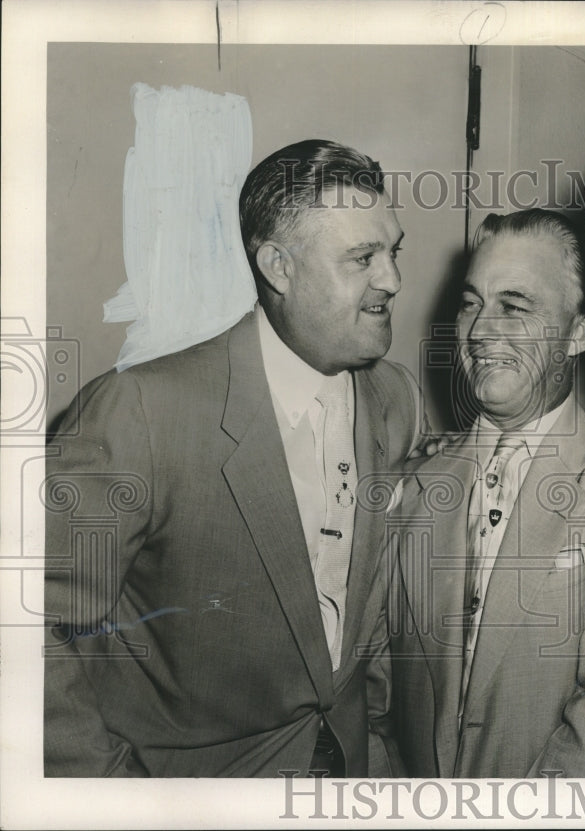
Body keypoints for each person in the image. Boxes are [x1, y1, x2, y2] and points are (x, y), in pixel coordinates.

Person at [44, 139, 420, 777]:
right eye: (363, 257)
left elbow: (370, 616)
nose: (392, 279)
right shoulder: (139, 410)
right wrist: (106, 792)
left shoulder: (398, 398)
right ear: (278, 266)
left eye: (393, 251)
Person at [385, 209, 585, 777]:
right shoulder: (415, 483)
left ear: (578, 332)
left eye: (514, 306)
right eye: (470, 302)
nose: (479, 331)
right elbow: (377, 695)